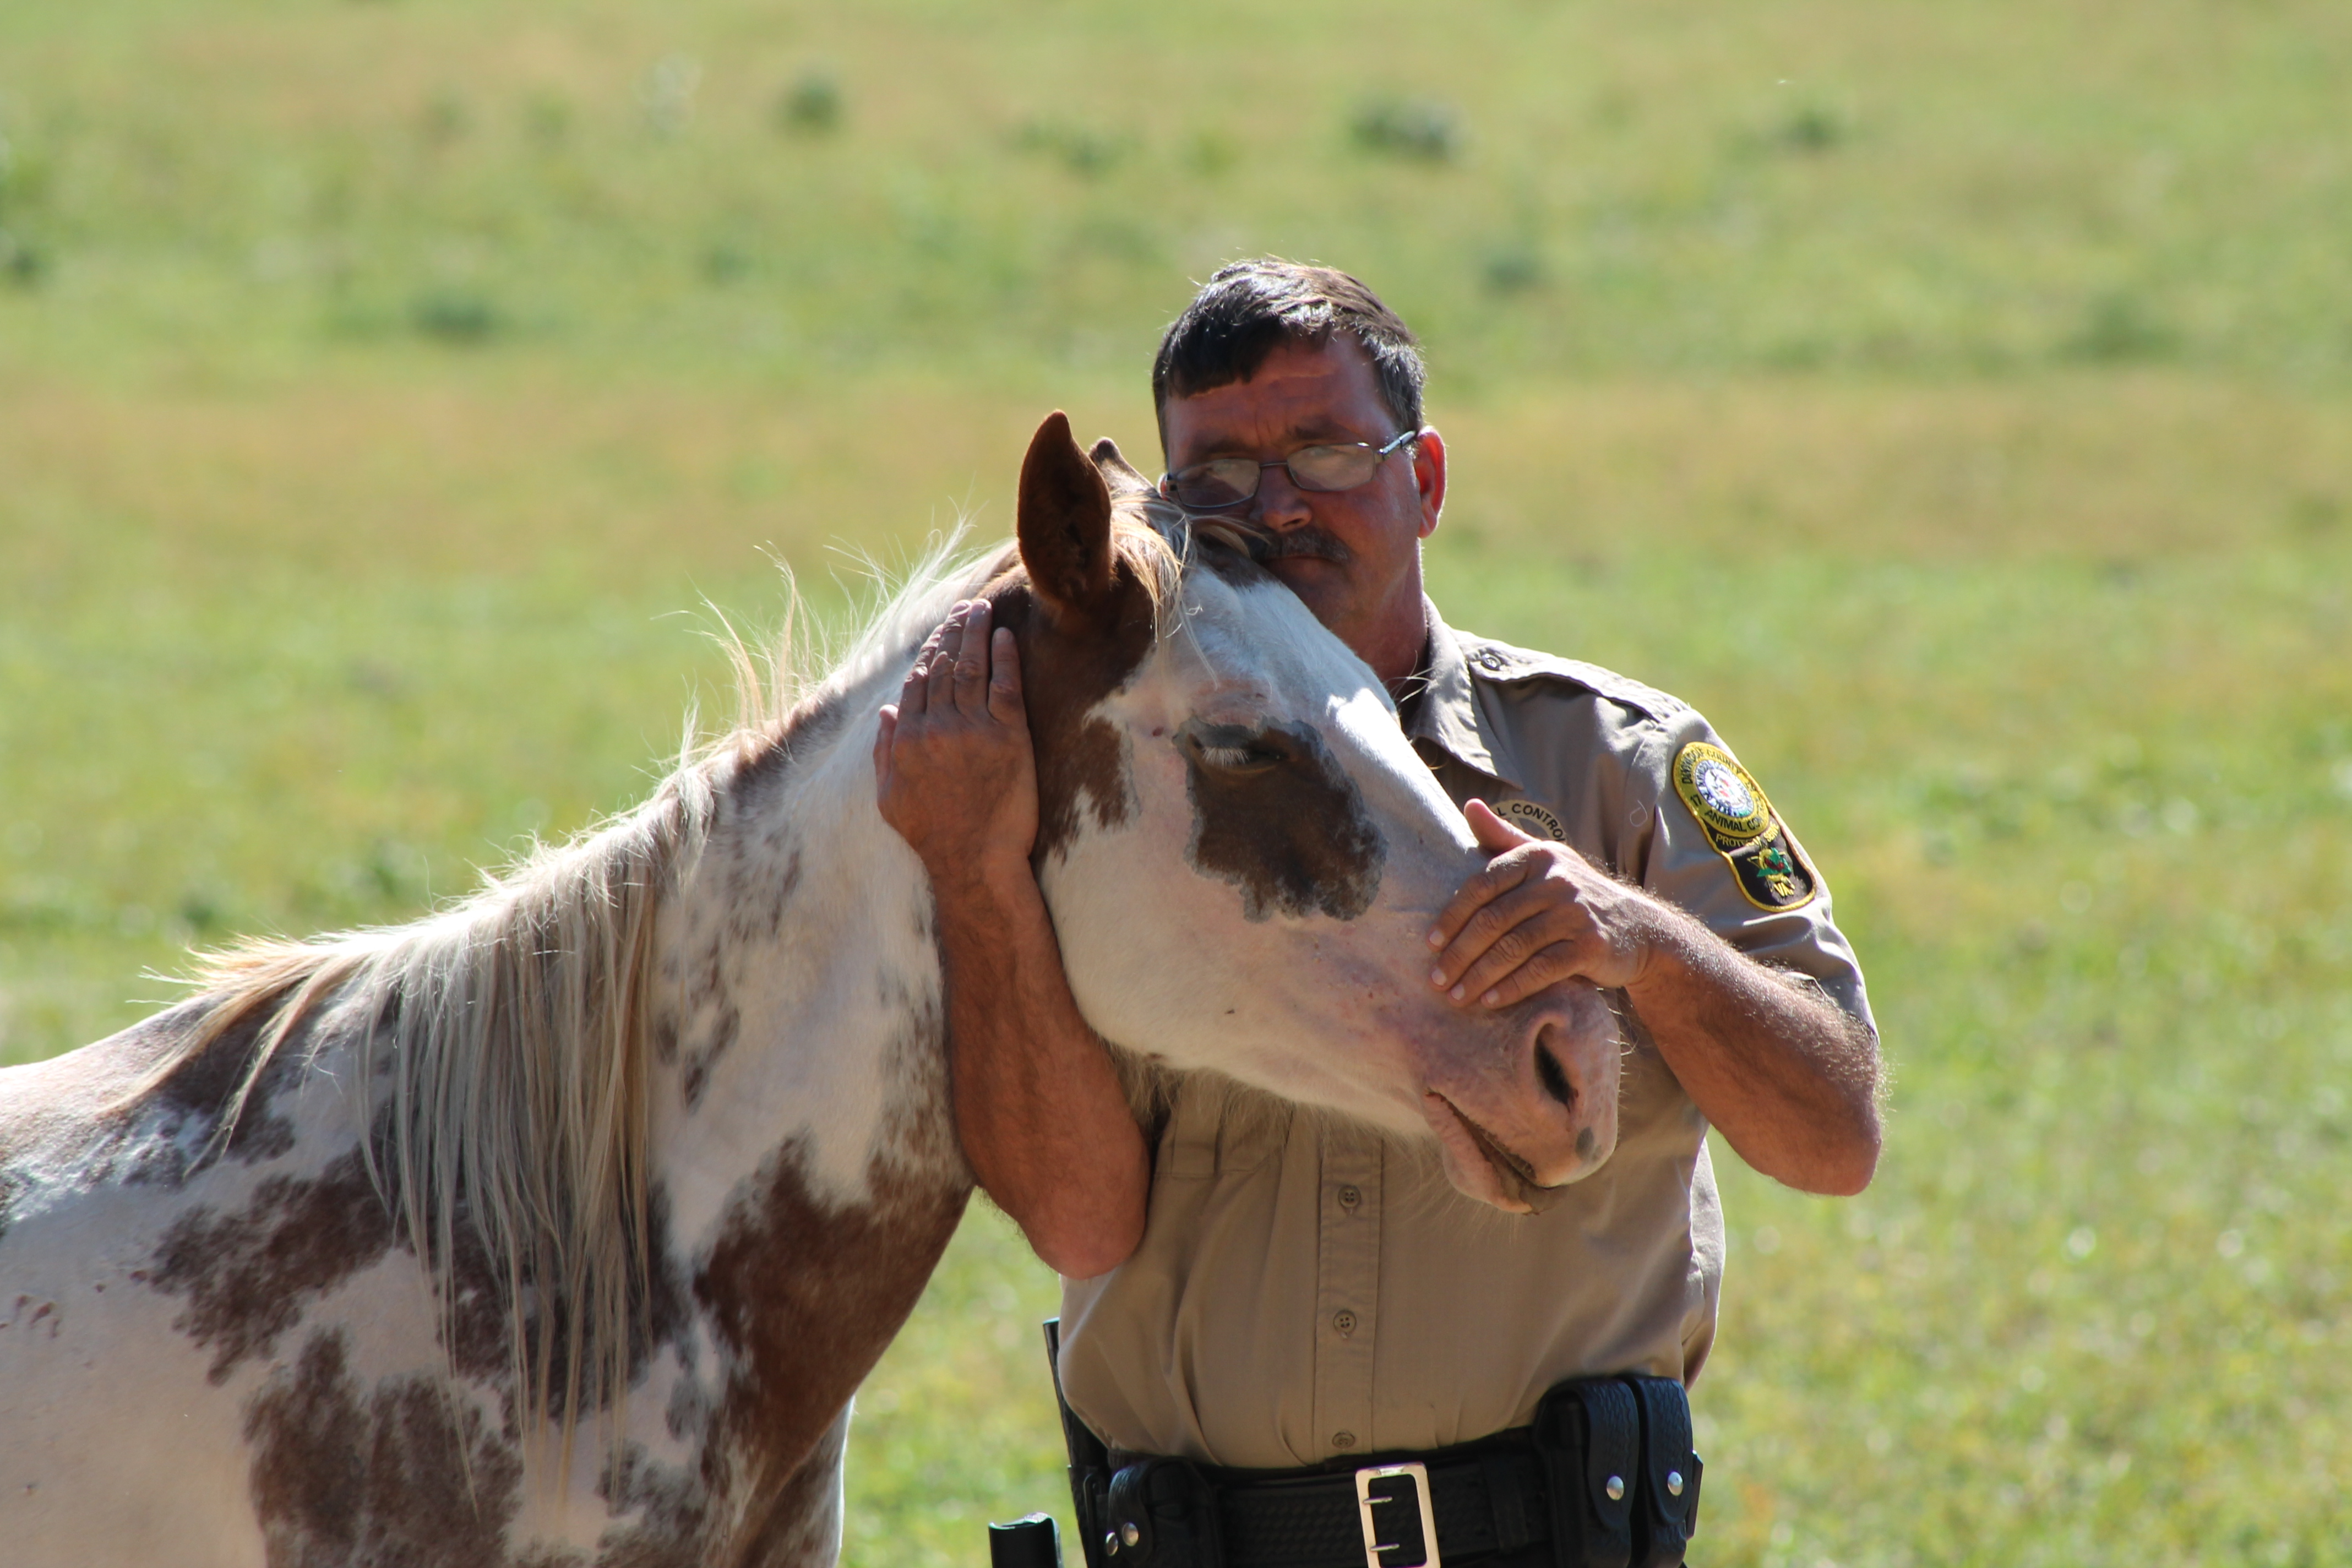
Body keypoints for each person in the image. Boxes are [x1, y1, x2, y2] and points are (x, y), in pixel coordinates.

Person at [873, 260, 1880, 1548]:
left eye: (1329, 452)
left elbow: (1835, 1136)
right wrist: (973, 873)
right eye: (1219, 473)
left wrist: (1642, 946)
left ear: (1429, 481)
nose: (1276, 507)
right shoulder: (1123, 789)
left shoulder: (1613, 761)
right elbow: (1077, 1218)